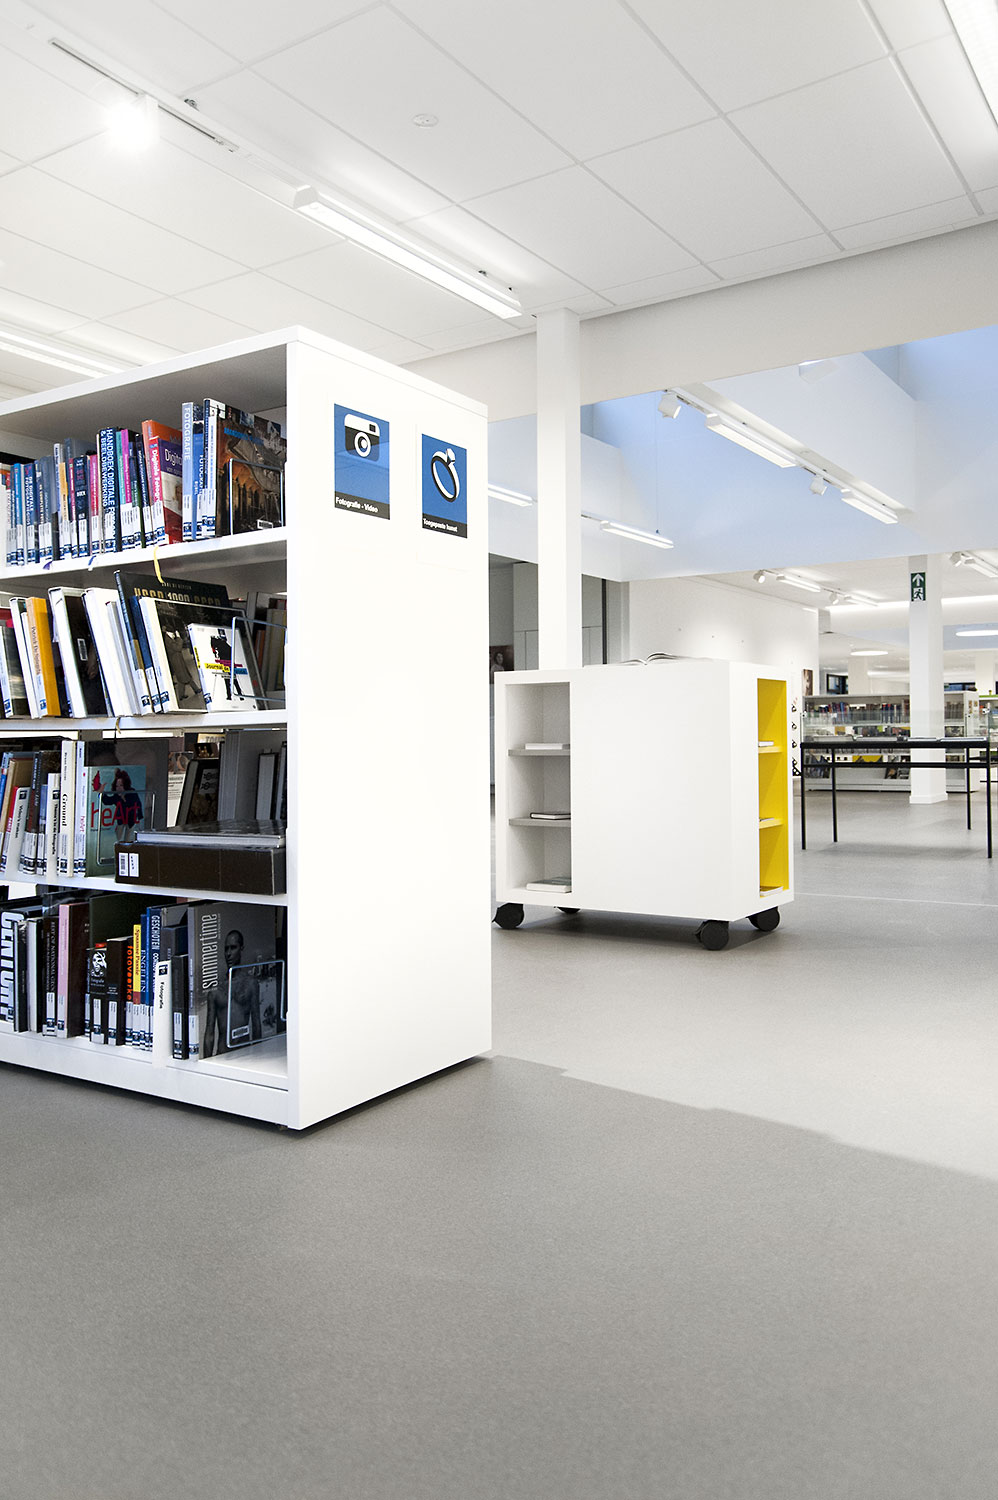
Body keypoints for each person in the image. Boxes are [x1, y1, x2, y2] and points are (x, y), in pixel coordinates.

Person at [203, 928, 261, 1056]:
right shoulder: (216, 990)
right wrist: (206, 1062)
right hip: (222, 1053)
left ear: (241, 949)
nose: (228, 954)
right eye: (226, 949)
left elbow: (256, 1025)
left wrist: (257, 1057)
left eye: (233, 948)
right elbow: (209, 1032)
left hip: (245, 1053)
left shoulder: (251, 984)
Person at [94, 767, 143, 840]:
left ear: (126, 785)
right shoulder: (117, 796)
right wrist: (101, 793)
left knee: (129, 839)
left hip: (131, 821)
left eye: (121, 785)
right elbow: (107, 801)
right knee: (119, 838)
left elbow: (138, 805)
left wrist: (140, 818)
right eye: (117, 786)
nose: (119, 788)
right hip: (121, 821)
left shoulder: (132, 793)